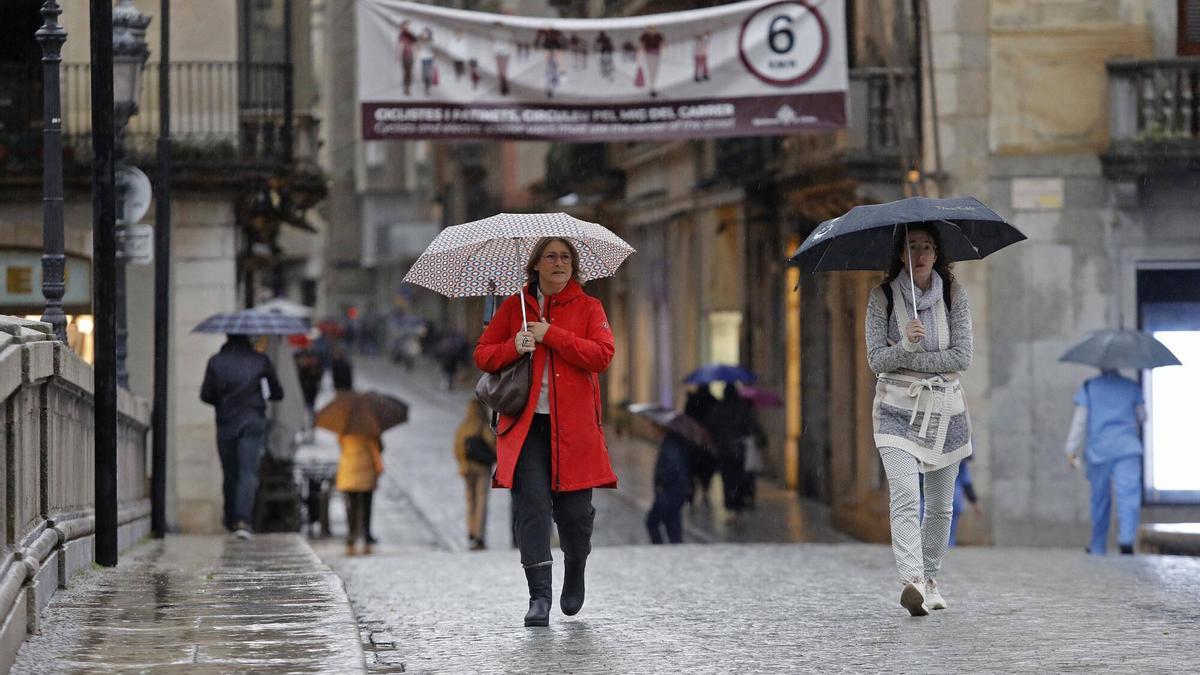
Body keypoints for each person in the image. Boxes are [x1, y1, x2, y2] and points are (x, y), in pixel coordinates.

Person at [474, 237, 617, 628]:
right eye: (551, 257)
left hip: (575, 430)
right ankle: (539, 597)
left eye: (566, 257)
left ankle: (575, 570)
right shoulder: (515, 306)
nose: (559, 263)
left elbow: (601, 355)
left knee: (574, 515)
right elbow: (483, 356)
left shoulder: (590, 307)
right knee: (532, 511)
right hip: (526, 428)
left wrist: (549, 334)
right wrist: (514, 345)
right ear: (536, 265)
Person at [866, 223, 973, 616]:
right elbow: (876, 359)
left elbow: (962, 357)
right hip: (895, 410)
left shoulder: (954, 296)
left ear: (937, 254)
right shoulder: (882, 299)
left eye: (927, 247)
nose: (921, 254)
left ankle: (930, 578)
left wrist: (909, 356)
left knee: (941, 506)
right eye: (913, 247)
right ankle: (911, 580)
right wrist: (905, 343)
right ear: (901, 255)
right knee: (907, 496)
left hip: (946, 410)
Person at [200, 333, 284, 539]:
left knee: (230, 472)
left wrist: (225, 400)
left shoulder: (216, 362)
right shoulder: (260, 360)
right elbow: (277, 392)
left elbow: (206, 395)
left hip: (226, 422)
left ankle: (230, 519)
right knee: (248, 472)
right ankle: (242, 520)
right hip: (252, 420)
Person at [1064, 369, 1146, 555]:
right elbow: (1143, 416)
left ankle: (1098, 545)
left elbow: (1080, 421)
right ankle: (1126, 540)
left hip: (1099, 450)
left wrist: (1071, 449)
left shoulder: (1090, 387)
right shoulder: (1131, 386)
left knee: (1100, 499)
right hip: (1127, 448)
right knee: (1129, 495)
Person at [705, 383, 755, 512]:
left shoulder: (718, 409)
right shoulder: (741, 409)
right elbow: (748, 428)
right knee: (738, 476)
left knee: (727, 477)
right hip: (739, 449)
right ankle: (737, 501)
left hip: (723, 450)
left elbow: (710, 427)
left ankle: (730, 501)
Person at [454, 399, 497, 550]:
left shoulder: (464, 426)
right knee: (481, 501)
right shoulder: (482, 425)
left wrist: (463, 463)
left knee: (470, 502)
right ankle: (479, 535)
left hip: (466, 469)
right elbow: (492, 443)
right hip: (482, 469)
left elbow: (457, 448)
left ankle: (471, 531)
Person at [336, 433, 383, 556]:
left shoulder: (344, 431)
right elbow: (378, 448)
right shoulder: (370, 432)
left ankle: (351, 534)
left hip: (349, 470)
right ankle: (366, 533)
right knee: (366, 505)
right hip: (366, 470)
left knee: (351, 505)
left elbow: (340, 444)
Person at [645, 420, 691, 544]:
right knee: (672, 525)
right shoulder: (670, 442)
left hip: (670, 491)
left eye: (652, 427)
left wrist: (661, 482)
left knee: (652, 522)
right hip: (675, 491)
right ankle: (674, 551)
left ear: (659, 428)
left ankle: (661, 550)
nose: (650, 430)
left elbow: (672, 467)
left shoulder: (670, 445)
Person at [683, 387, 718, 505]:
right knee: (706, 468)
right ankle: (705, 488)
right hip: (706, 443)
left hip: (694, 441)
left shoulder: (692, 401)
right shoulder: (713, 401)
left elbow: (686, 418)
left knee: (692, 469)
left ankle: (691, 493)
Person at [396, 20, 418, 95]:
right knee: (406, 72)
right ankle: (406, 88)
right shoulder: (402, 35)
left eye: (408, 26)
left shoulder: (411, 35)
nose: (408, 27)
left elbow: (415, 43)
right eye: (406, 25)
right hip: (404, 55)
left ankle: (408, 87)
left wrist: (416, 55)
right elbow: (400, 45)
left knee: (409, 72)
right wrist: (398, 55)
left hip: (410, 55)